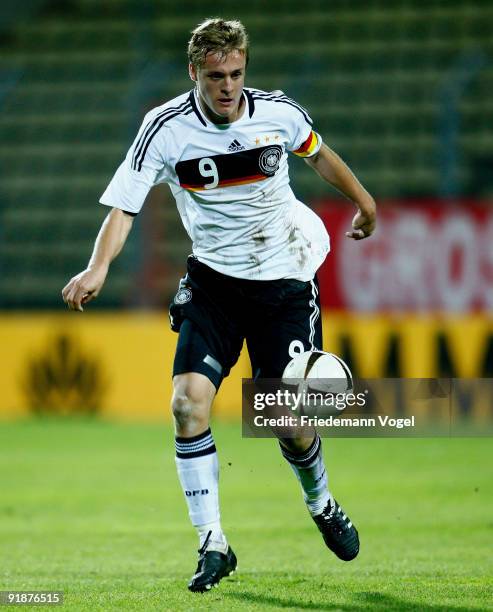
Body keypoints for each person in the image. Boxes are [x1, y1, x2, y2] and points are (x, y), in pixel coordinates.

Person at [62, 17, 376, 593]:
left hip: (284, 277)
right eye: (215, 76)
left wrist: (363, 202)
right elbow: (124, 206)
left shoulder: (278, 113)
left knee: (286, 421)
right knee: (187, 405)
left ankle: (322, 502)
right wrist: (99, 265)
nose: (227, 86)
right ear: (194, 73)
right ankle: (213, 543)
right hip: (214, 283)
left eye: (235, 73)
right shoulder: (164, 128)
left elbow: (318, 154)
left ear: (245, 70)